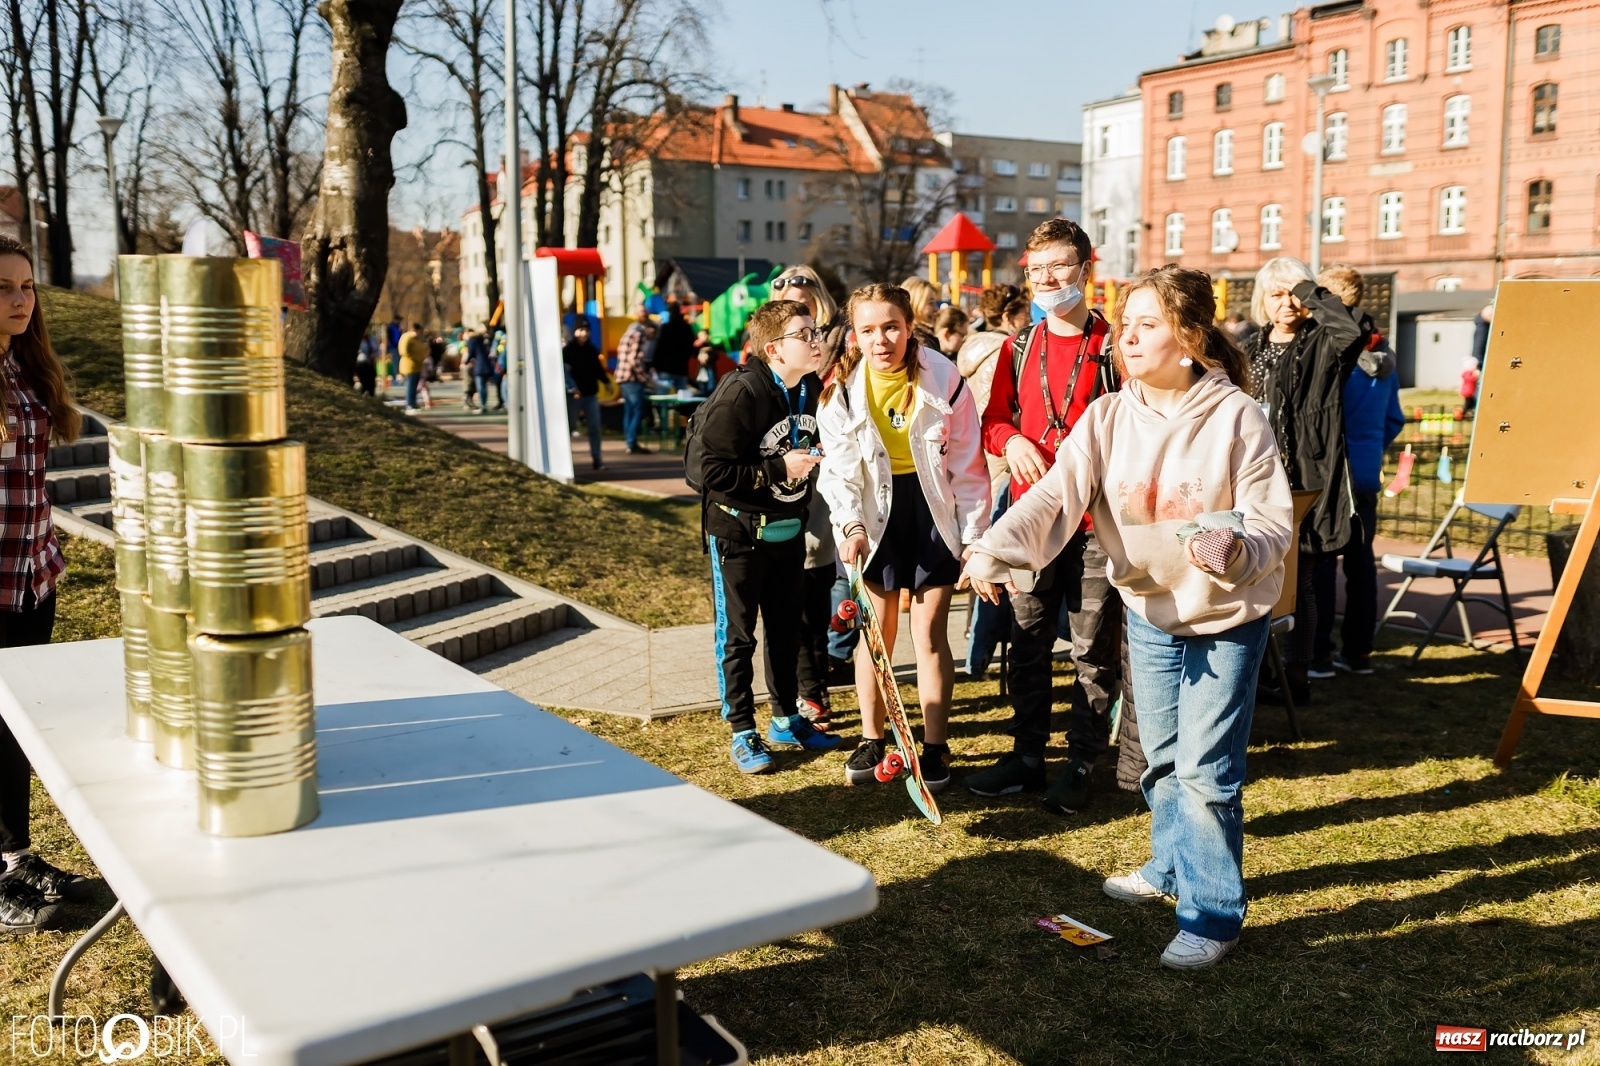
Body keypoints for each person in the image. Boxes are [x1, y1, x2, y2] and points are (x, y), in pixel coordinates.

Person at [963, 266, 1294, 969]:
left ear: (1190, 337)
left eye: (1148, 323)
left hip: (1227, 616)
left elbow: (1272, 525)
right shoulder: (1108, 415)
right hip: (1149, 612)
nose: (1128, 336)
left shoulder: (1238, 416)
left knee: (1207, 771)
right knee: (1162, 761)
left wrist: (1233, 547)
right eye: (1126, 323)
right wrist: (994, 548)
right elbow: (1054, 495)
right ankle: (1171, 866)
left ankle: (1211, 914)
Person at [967, 218, 1127, 816]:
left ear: (1086, 268)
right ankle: (1027, 754)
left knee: (1091, 649)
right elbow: (994, 420)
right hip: (1034, 521)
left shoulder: (1114, 346)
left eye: (1060, 267)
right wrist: (1009, 441)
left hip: (1094, 526)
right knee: (1027, 639)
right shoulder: (1018, 347)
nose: (1048, 279)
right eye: (1037, 270)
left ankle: (1082, 759)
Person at [817, 283, 990, 793]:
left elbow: (969, 466)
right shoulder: (842, 389)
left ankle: (934, 747)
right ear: (855, 334)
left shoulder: (944, 375)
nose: (880, 339)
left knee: (930, 633)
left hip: (934, 512)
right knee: (878, 637)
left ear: (909, 326)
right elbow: (840, 473)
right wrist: (849, 526)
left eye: (891, 326)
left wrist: (974, 540)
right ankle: (874, 738)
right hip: (876, 516)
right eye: (868, 330)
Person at [697, 299, 840, 772]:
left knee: (786, 629)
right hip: (738, 533)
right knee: (738, 636)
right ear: (775, 349)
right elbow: (709, 472)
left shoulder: (811, 387)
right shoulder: (742, 393)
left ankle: (784, 716)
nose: (816, 340)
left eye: (816, 331)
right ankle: (742, 730)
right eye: (805, 335)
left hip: (788, 530)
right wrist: (778, 467)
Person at [0, 235, 93, 935]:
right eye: (3, 288)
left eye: (27, 286)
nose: (20, 300)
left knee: (13, 733)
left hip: (32, 577)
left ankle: (16, 856)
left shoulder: (26, 369)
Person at [1244, 257, 1368, 702]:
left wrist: (1309, 289)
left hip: (1306, 483)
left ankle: (1297, 677)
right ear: (1263, 300)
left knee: (1303, 582)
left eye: (1294, 294)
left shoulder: (1324, 341)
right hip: (1254, 481)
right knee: (1255, 577)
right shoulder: (1250, 346)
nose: (1287, 304)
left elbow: (1353, 332)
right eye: (1277, 294)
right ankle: (1257, 672)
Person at [767, 265, 857, 698]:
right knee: (796, 585)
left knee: (822, 573)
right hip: (784, 475)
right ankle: (806, 688)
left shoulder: (844, 344)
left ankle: (819, 677)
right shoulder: (767, 359)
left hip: (832, 473)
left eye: (802, 287)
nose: (791, 292)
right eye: (782, 290)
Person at [1311, 266, 1403, 676]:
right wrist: (1372, 453)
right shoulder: (1383, 355)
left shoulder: (1332, 349)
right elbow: (1394, 419)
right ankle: (1359, 651)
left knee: (1323, 561)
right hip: (1365, 472)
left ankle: (1319, 654)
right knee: (1362, 563)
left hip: (1331, 470)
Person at [955, 285, 1024, 677]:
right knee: (1000, 564)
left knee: (985, 558)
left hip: (982, 456)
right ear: (1010, 315)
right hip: (1006, 458)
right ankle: (984, 654)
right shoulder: (1009, 349)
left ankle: (975, 655)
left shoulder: (971, 349)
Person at [563, 323, 606, 470]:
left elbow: (597, 369)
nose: (584, 334)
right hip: (574, 395)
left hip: (590, 394)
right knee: (569, 427)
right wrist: (572, 389)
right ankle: (564, 460)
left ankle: (597, 459)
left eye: (587, 330)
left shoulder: (592, 349)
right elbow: (565, 373)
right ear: (575, 332)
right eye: (581, 330)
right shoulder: (568, 351)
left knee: (594, 428)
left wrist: (606, 381)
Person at [615, 306, 654, 452]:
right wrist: (645, 378)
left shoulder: (627, 334)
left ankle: (629, 441)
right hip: (632, 379)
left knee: (629, 411)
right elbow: (634, 360)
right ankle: (632, 441)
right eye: (653, 332)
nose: (653, 336)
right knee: (639, 410)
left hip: (622, 377)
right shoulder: (639, 335)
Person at [652, 299, 696, 393]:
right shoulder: (686, 328)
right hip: (682, 368)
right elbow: (690, 347)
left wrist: (655, 364)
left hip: (666, 368)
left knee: (662, 399)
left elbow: (660, 347)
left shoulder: (666, 327)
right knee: (681, 398)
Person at [900, 276, 942, 353]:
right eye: (930, 303)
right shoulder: (919, 342)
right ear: (913, 305)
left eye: (935, 303)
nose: (936, 309)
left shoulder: (922, 337)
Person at [398, 322, 429, 413]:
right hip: (409, 366)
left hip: (417, 366)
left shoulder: (417, 339)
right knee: (410, 386)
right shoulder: (406, 337)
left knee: (415, 386)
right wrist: (415, 358)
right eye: (420, 331)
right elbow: (403, 351)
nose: (420, 333)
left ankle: (413, 403)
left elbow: (421, 349)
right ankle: (409, 404)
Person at [355, 329, 378, 397]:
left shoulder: (371, 338)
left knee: (372, 382)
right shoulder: (358, 339)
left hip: (371, 363)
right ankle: (363, 395)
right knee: (365, 382)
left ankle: (371, 396)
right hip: (361, 363)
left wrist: (374, 355)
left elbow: (376, 349)